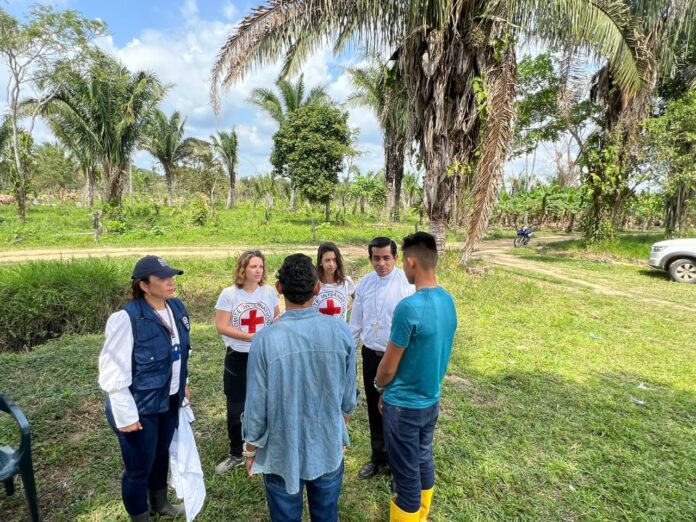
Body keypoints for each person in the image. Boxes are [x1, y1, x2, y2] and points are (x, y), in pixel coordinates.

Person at [242, 254, 358, 522]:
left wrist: (251, 448)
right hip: (328, 445)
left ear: (279, 288)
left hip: (281, 451)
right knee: (327, 514)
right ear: (318, 288)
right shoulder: (341, 331)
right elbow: (348, 399)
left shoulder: (264, 340)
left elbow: (256, 406)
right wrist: (339, 428)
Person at [98, 255, 192, 521]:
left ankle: (160, 503)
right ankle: (141, 517)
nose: (171, 282)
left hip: (168, 398)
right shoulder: (126, 319)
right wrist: (126, 415)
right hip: (139, 405)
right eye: (162, 279)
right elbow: (112, 370)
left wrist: (182, 383)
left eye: (172, 276)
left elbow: (180, 351)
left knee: (160, 453)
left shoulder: (176, 308)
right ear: (144, 285)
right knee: (138, 468)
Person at [374, 232, 458, 521]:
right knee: (424, 458)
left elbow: (387, 367)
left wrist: (379, 386)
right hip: (431, 401)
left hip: (403, 407)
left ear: (410, 262)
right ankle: (422, 515)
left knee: (406, 477)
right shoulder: (448, 301)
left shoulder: (408, 308)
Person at [350, 236, 414, 479]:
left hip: (397, 356)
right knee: (374, 408)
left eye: (386, 258)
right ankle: (377, 457)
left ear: (395, 258)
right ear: (370, 259)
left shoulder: (406, 285)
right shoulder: (364, 283)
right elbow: (355, 323)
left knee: (396, 408)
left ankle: (397, 465)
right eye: (376, 258)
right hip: (370, 354)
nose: (381, 263)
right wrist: (347, 349)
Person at [214, 250, 279, 474]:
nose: (258, 271)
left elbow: (275, 317)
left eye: (261, 266)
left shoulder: (269, 292)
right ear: (243, 269)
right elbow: (221, 326)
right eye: (253, 266)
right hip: (238, 355)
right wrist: (249, 336)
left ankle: (264, 448)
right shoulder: (229, 294)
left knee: (268, 401)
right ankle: (236, 453)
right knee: (236, 406)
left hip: (264, 354)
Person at [313, 242, 356, 321]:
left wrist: (352, 303)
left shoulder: (346, 282)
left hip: (339, 332)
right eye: (327, 260)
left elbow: (358, 297)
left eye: (334, 260)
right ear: (320, 262)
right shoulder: (313, 283)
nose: (331, 264)